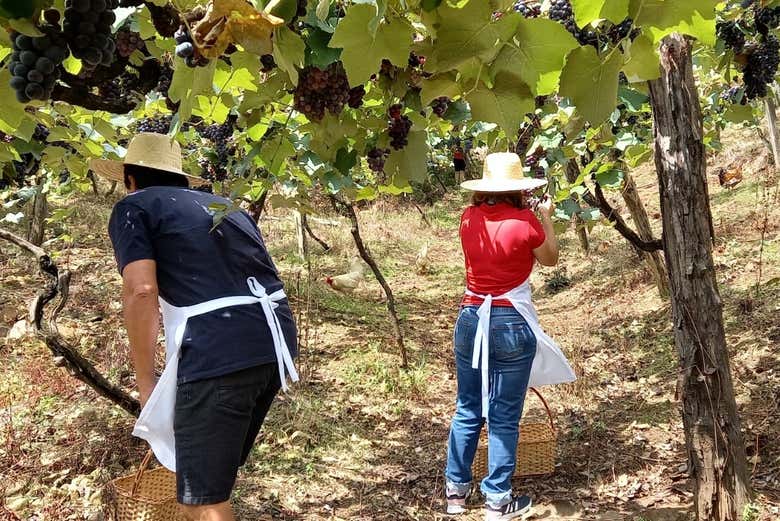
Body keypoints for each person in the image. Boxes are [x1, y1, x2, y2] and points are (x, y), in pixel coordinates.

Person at [89, 133, 298, 521]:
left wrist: (146, 381)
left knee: (201, 499)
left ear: (129, 179)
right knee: (205, 485)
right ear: (182, 178)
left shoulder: (134, 207)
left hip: (219, 349)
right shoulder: (226, 206)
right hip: (274, 342)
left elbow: (141, 290)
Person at [444, 152, 576, 520]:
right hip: (510, 322)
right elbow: (549, 258)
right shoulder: (526, 221)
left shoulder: (467, 218)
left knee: (468, 407)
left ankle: (455, 494)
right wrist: (546, 216)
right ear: (519, 188)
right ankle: (496, 500)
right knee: (503, 414)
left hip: (471, 317)